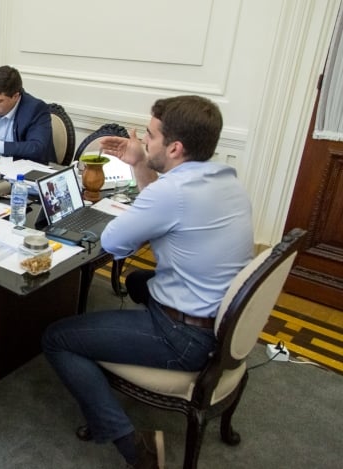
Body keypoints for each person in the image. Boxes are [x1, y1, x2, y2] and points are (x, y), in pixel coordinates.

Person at [41, 95, 253, 469]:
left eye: (151, 136)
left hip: (187, 337)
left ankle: (135, 449)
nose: (143, 140)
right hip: (222, 317)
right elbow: (160, 204)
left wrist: (143, 175)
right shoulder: (226, 180)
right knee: (139, 281)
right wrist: (140, 162)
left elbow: (113, 243)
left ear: (175, 147)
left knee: (57, 338)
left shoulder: (172, 193)